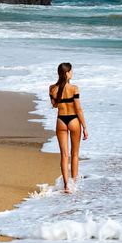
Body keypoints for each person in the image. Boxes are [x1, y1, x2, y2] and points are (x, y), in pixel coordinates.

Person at [49, 61, 88, 193]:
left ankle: (66, 186)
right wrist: (85, 127)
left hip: (61, 120)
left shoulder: (52, 88)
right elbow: (79, 109)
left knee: (64, 155)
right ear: (67, 73)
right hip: (73, 120)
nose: (72, 73)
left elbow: (54, 105)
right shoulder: (74, 88)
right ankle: (74, 184)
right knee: (74, 154)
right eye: (71, 71)